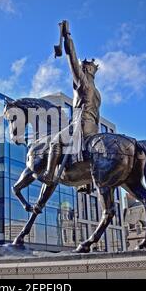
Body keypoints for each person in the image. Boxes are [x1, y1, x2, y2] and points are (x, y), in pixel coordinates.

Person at [40, 20, 101, 186]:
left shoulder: (84, 83)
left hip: (81, 125)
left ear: (86, 70)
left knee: (55, 141)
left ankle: (49, 174)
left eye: (82, 68)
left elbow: (72, 59)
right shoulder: (97, 92)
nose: (79, 70)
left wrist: (67, 37)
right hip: (94, 128)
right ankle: (86, 184)